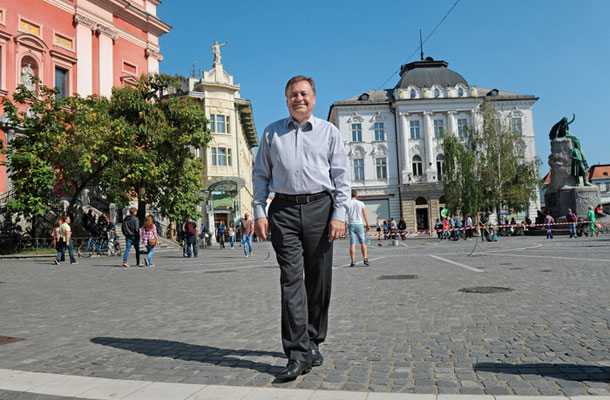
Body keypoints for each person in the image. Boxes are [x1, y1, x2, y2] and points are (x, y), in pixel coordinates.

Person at [252, 75, 349, 381]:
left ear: (314, 98)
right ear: (286, 100)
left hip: (321, 208)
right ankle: (297, 352)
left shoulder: (329, 132)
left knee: (318, 281)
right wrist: (259, 211)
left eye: (304, 94)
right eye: (293, 94)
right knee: (291, 281)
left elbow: (341, 177)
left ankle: (313, 339)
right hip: (283, 210)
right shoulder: (272, 133)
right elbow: (260, 175)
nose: (299, 99)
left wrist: (339, 214)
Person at [345, 189, 371, 267]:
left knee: (352, 243)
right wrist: (368, 224)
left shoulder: (348, 203)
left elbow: (344, 214)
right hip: (359, 224)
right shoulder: (361, 203)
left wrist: (343, 224)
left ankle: (353, 261)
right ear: (356, 195)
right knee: (363, 242)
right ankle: (365, 258)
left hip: (351, 224)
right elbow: (365, 214)